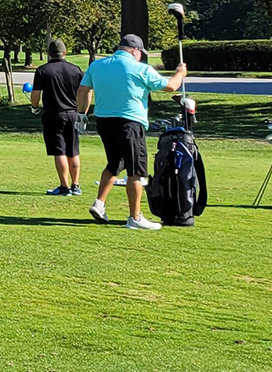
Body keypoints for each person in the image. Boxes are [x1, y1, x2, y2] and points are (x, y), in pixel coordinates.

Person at [79, 32, 186, 230]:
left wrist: (80, 114)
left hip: (104, 121)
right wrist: (180, 73)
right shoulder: (141, 69)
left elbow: (83, 90)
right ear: (134, 51)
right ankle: (134, 218)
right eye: (140, 52)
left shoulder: (97, 66)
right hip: (130, 123)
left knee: (115, 163)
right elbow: (171, 86)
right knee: (136, 171)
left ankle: (99, 204)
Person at [27, 38, 85, 196]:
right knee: (73, 151)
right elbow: (85, 92)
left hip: (54, 115)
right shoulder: (76, 69)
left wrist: (34, 107)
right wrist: (82, 112)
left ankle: (64, 187)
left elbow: (36, 94)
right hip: (73, 114)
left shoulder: (43, 70)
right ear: (65, 52)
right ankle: (75, 185)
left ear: (49, 53)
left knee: (59, 151)